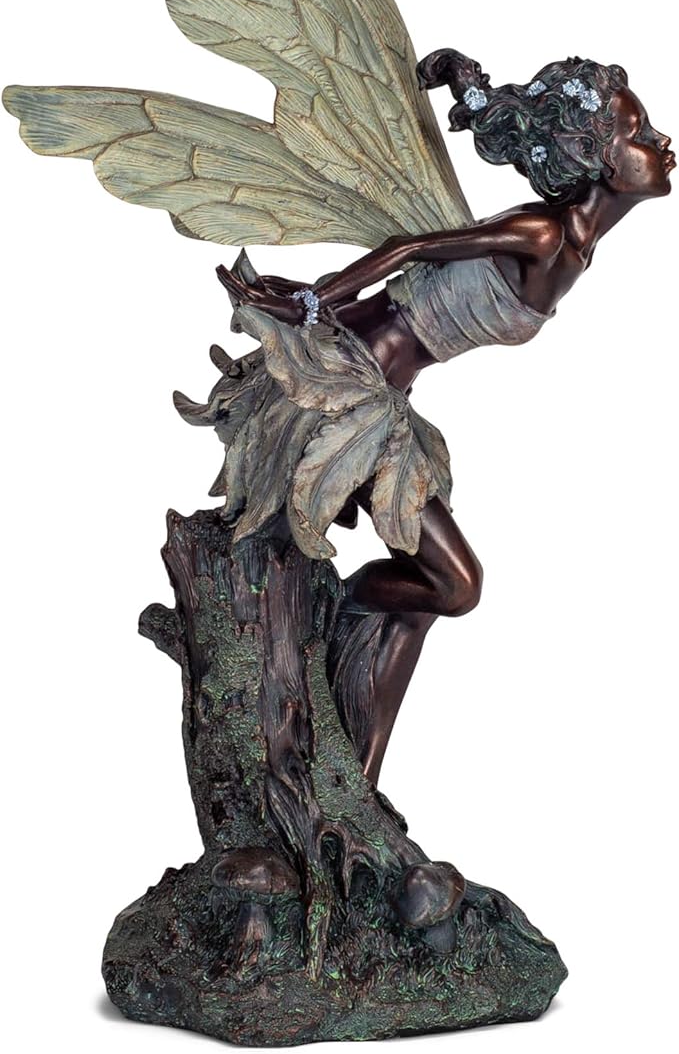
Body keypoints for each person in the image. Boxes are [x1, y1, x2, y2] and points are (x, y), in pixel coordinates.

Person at [215, 50, 674, 782]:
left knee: (425, 600)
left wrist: (468, 82)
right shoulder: (543, 233)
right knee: (457, 585)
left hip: (386, 401)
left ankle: (360, 783)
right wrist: (309, 303)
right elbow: (408, 250)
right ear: (598, 157)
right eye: (641, 132)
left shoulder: (576, 248)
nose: (661, 142)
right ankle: (334, 608)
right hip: (345, 384)